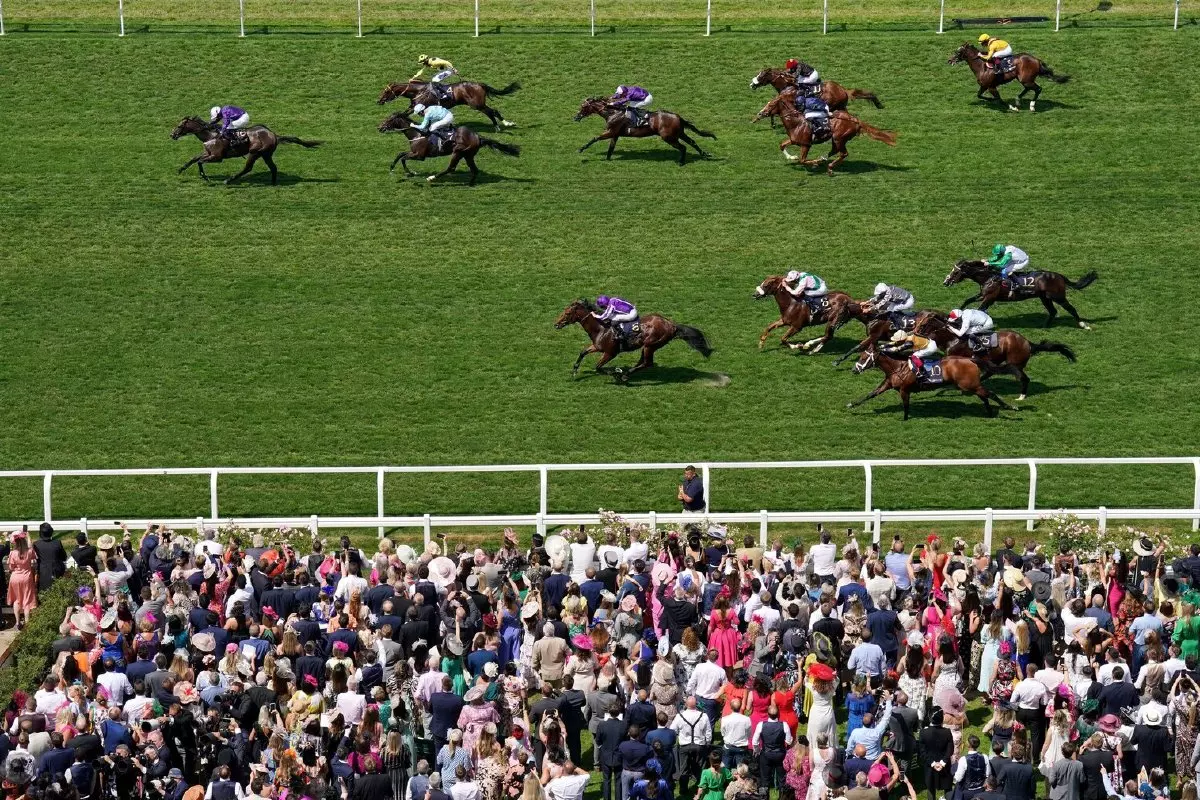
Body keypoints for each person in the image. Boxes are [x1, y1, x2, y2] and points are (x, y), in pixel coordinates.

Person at [6, 530, 38, 629]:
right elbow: (34, 556)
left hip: (15, 578)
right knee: (27, 601)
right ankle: (27, 624)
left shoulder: (12, 553)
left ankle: (17, 622)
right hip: (26, 577)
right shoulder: (29, 551)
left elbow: (11, 567)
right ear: (24, 540)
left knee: (17, 600)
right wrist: (29, 539)